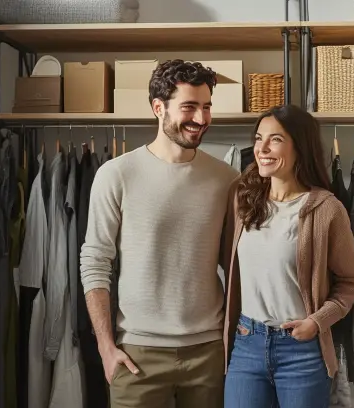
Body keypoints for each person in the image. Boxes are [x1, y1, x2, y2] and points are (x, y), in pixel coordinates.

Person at [79, 59, 239, 408]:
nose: (201, 118)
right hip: (137, 354)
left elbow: (237, 264)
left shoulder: (227, 179)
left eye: (207, 107)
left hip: (208, 352)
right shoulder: (116, 174)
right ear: (158, 107)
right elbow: (95, 261)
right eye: (189, 107)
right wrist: (106, 347)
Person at [220, 104, 354, 408]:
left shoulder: (326, 209)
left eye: (275, 139)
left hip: (301, 350)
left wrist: (316, 322)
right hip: (247, 342)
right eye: (259, 138)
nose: (262, 148)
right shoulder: (242, 198)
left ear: (300, 146)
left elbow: (353, 281)